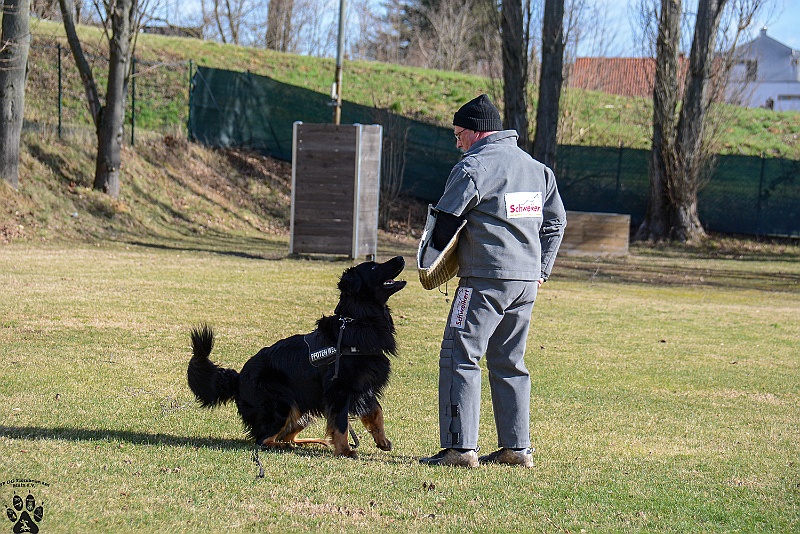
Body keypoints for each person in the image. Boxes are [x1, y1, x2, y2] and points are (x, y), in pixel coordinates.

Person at [419, 94, 567, 468]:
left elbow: (445, 221)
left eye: (458, 135)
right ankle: (517, 449)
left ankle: (459, 449)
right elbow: (556, 222)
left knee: (459, 354)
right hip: (525, 283)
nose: (457, 143)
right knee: (509, 360)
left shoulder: (473, 168)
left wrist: (429, 264)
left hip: (483, 280)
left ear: (476, 132)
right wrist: (541, 269)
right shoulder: (537, 169)